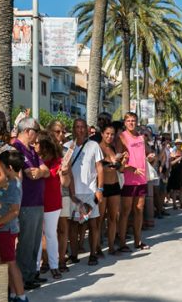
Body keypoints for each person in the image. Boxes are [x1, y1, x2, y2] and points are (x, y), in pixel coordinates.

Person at [13, 117, 49, 290]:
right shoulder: (17, 148)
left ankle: (31, 274)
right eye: (36, 131)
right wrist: (40, 172)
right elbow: (30, 174)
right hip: (26, 202)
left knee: (34, 242)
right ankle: (23, 278)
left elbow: (45, 171)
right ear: (27, 131)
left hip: (37, 201)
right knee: (26, 243)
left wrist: (40, 172)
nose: (37, 136)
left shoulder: (32, 150)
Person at [66, 119, 104, 266]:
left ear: (87, 129)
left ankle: (93, 254)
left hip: (91, 192)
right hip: (73, 193)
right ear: (73, 129)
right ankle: (74, 255)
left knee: (93, 224)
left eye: (82, 127)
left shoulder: (94, 145)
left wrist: (100, 189)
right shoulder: (67, 146)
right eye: (77, 127)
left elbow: (99, 168)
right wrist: (70, 192)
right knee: (73, 225)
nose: (80, 130)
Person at [0, 149, 27, 302]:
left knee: (11, 263)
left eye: (1, 166)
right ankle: (13, 294)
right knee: (7, 261)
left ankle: (21, 295)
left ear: (10, 168)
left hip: (7, 228)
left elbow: (14, 211)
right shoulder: (10, 182)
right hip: (5, 229)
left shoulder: (14, 185)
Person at [36, 131, 70, 279]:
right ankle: (35, 268)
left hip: (52, 202)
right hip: (35, 202)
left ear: (45, 145)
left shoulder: (58, 160)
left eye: (37, 143)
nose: (34, 145)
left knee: (50, 234)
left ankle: (54, 266)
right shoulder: (34, 158)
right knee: (37, 237)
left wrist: (64, 173)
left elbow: (65, 183)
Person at [116, 112, 150, 252]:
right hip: (128, 179)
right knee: (125, 211)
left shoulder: (141, 137)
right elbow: (118, 161)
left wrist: (151, 155)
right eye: (128, 120)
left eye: (133, 120)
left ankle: (138, 241)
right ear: (125, 123)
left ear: (137, 122)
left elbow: (148, 152)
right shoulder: (121, 137)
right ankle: (122, 243)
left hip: (142, 178)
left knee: (139, 210)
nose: (131, 123)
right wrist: (131, 168)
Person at [98, 124, 126, 255]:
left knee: (113, 217)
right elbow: (98, 168)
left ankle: (111, 246)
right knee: (99, 219)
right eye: (107, 134)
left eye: (112, 134)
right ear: (102, 134)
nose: (110, 136)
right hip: (102, 186)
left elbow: (120, 169)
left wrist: (122, 162)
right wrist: (112, 165)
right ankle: (97, 247)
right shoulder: (97, 148)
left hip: (114, 185)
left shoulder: (113, 148)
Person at [47, 120, 70, 273]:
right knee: (47, 230)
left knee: (62, 228)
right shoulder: (43, 150)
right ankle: (46, 261)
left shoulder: (66, 151)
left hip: (64, 193)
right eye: (57, 131)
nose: (61, 134)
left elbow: (69, 177)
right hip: (47, 193)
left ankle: (61, 260)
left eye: (62, 131)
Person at [167, 138, 182, 209]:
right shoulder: (173, 152)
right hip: (175, 172)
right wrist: (179, 158)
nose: (179, 145)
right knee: (175, 189)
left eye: (180, 144)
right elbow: (171, 163)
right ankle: (174, 204)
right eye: (177, 144)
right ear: (175, 144)